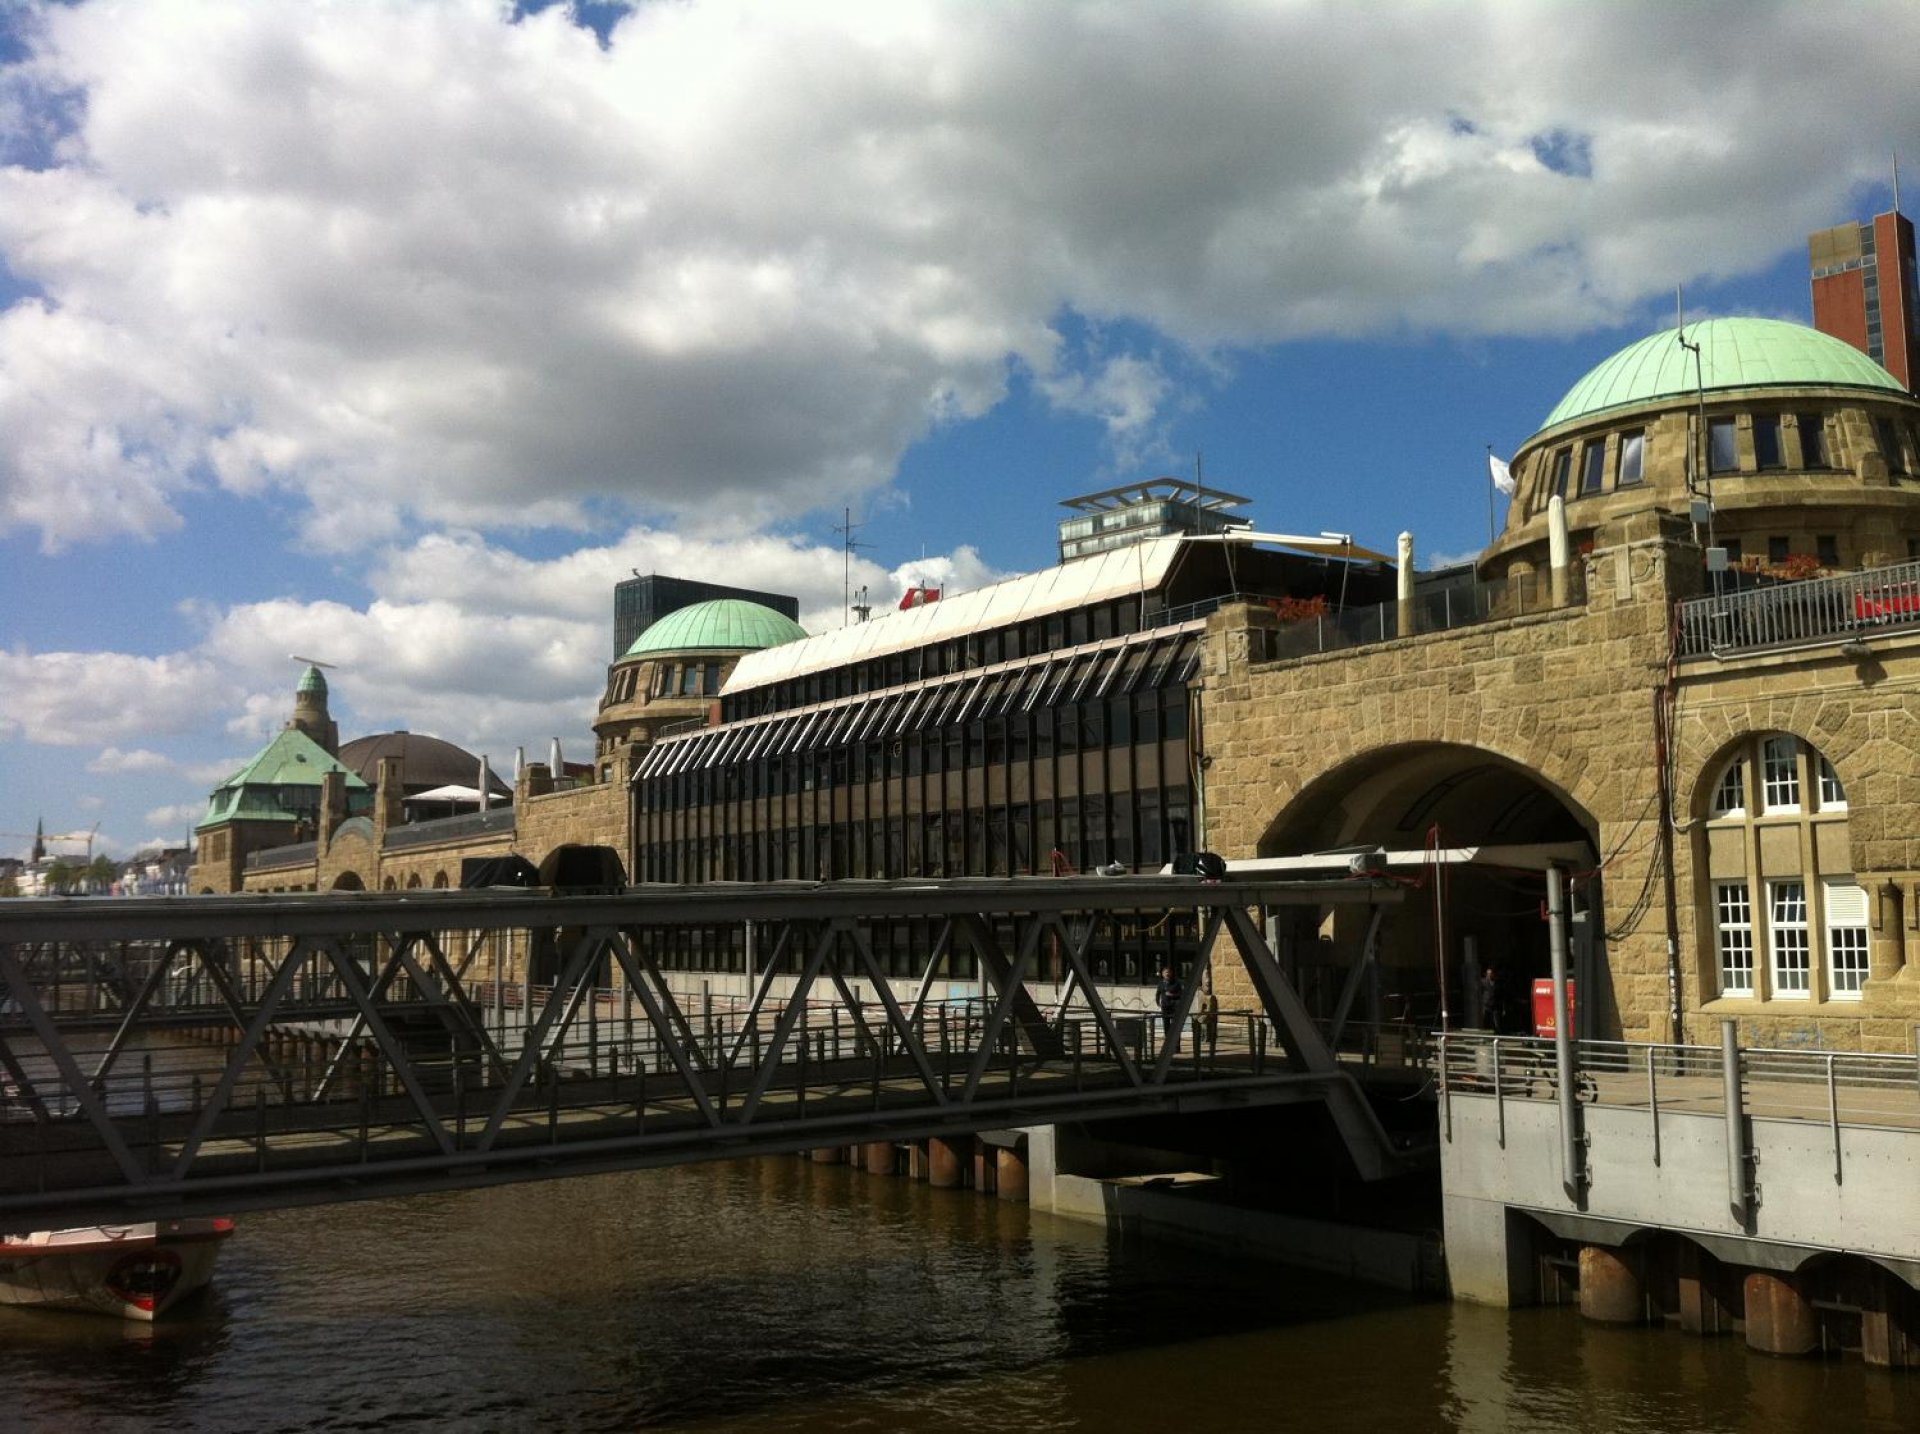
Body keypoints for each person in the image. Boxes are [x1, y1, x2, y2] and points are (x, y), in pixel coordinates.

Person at [1155, 964, 1183, 1048]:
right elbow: (1158, 993)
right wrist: (1158, 1002)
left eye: (1168, 972)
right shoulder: (1161, 983)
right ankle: (1168, 1046)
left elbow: (1181, 994)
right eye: (1165, 972)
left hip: (1175, 1008)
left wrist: (1172, 995)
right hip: (1165, 1007)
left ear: (1171, 973)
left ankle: (1177, 1046)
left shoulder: (1176, 983)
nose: (1167, 974)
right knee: (1166, 1027)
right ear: (1162, 974)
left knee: (1175, 1027)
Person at [1192, 972, 1219, 1056]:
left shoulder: (1211, 997)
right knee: (1201, 1025)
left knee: (1206, 1025)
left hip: (1208, 1015)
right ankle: (1203, 1038)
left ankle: (1207, 1038)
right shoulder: (1199, 994)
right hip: (1202, 1015)